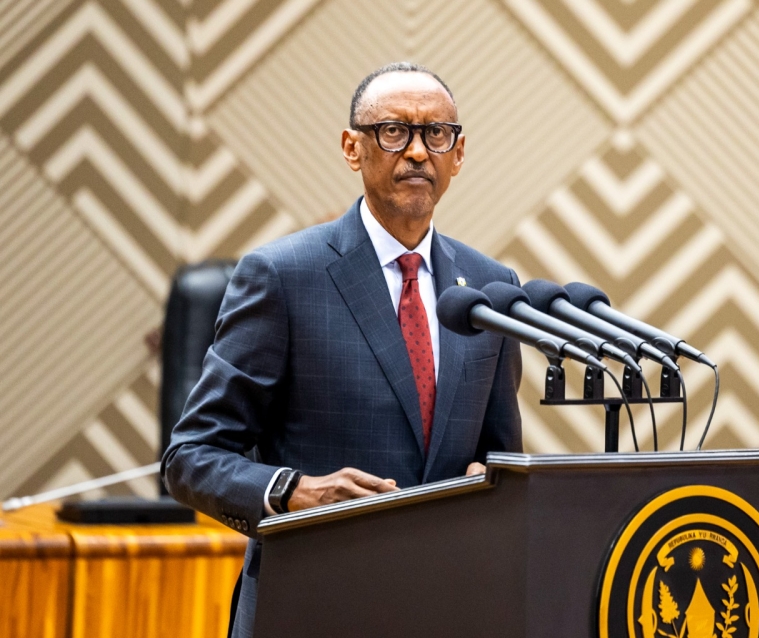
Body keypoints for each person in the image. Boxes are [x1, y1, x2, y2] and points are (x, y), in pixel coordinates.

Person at [161, 62, 523, 638]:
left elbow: (500, 457)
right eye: (393, 131)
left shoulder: (488, 287)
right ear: (352, 148)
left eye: (436, 134)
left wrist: (496, 486)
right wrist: (291, 491)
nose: (416, 152)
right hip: (313, 601)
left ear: (457, 155)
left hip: (450, 606)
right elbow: (190, 457)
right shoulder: (282, 276)